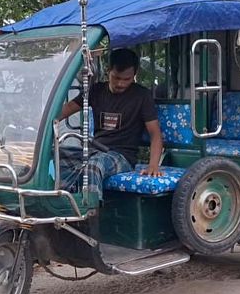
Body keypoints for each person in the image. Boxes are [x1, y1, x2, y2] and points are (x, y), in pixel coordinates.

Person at [56, 48, 164, 200]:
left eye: (127, 79)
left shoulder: (142, 96)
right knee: (56, 154)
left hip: (122, 156)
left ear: (134, 75)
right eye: (116, 78)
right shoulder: (96, 90)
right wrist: (43, 125)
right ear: (108, 71)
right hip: (95, 150)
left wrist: (153, 165)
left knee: (93, 167)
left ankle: (90, 214)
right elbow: (67, 109)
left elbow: (155, 133)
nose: (120, 83)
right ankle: (60, 202)